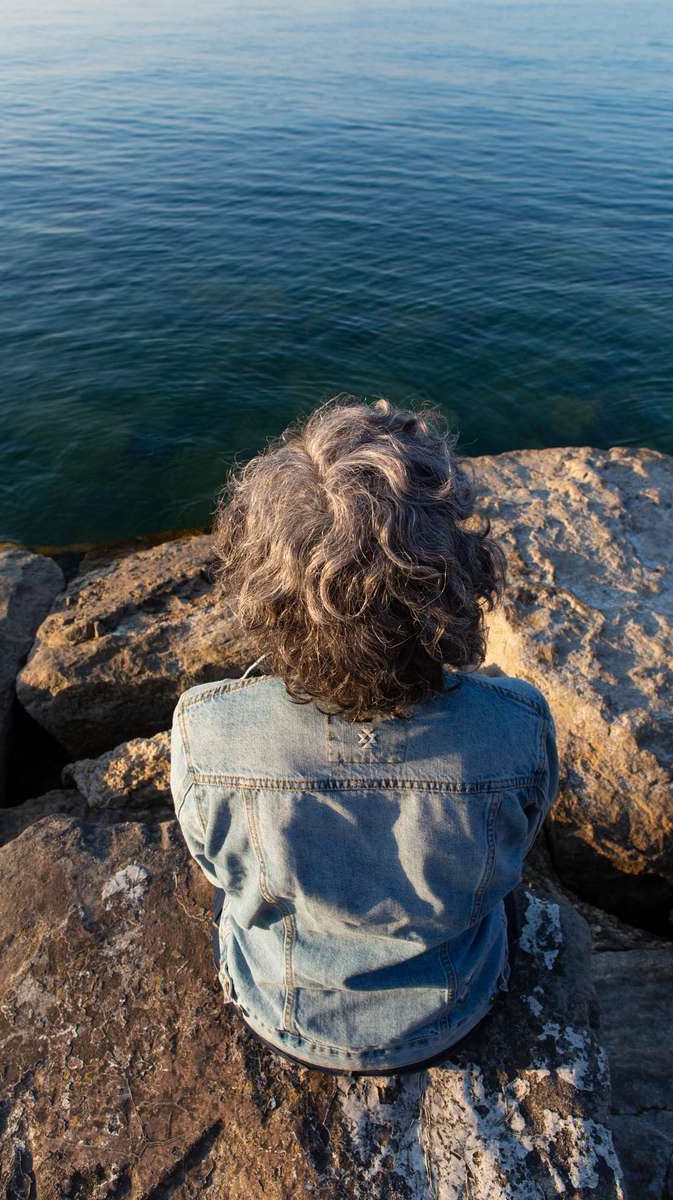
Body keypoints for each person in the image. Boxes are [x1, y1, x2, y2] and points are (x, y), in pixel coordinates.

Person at [170, 396, 559, 1075]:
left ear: (263, 587)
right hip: (454, 1004)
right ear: (454, 575)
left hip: (282, 1007)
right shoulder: (515, 725)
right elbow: (515, 851)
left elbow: (215, 867)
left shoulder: (207, 729)